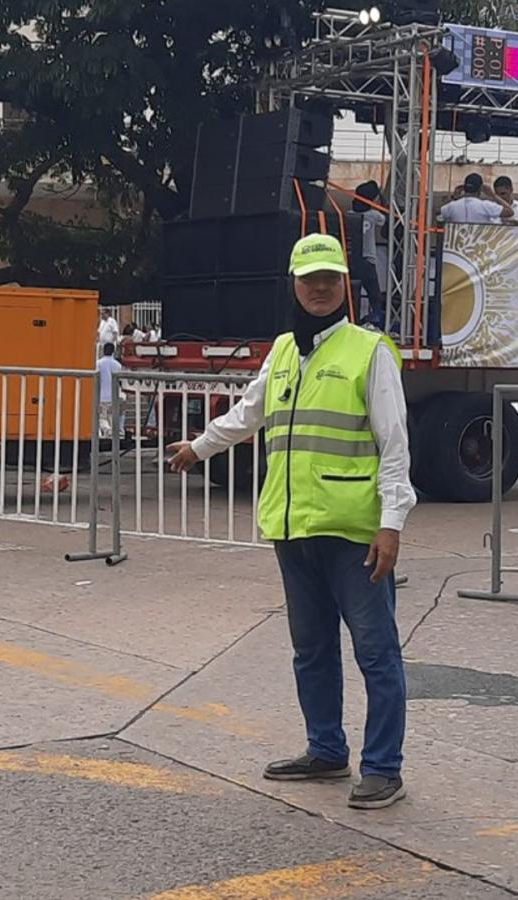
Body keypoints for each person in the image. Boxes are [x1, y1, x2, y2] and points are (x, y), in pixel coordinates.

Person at [167, 234, 415, 811]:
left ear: (344, 285)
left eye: (330, 278)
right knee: (311, 650)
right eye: (310, 279)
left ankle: (383, 767)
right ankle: (326, 750)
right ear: (294, 286)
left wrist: (392, 523)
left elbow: (396, 444)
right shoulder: (282, 351)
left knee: (376, 652)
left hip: (354, 531)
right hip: (291, 526)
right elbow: (248, 413)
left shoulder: (368, 350)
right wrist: (198, 448)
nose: (321, 288)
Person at [353, 181, 387, 327]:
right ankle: (377, 319)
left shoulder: (350, 214)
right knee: (374, 294)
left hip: (353, 257)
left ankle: (354, 317)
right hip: (368, 258)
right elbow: (384, 219)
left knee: (354, 291)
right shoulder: (374, 215)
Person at [439, 173, 514, 224]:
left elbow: (439, 213)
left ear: (464, 188)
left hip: (458, 246)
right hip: (478, 245)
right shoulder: (485, 206)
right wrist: (493, 195)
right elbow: (510, 212)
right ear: (480, 189)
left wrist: (454, 198)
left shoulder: (452, 206)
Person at [96, 342, 123, 439]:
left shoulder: (98, 364)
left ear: (103, 351)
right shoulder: (117, 365)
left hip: (100, 396)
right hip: (113, 396)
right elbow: (120, 382)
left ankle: (106, 430)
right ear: (113, 351)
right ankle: (112, 435)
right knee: (112, 418)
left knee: (101, 418)